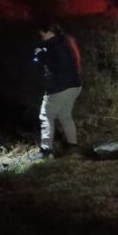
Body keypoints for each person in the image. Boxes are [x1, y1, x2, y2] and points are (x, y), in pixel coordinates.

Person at [33, 23, 82, 158]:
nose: (41, 37)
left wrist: (41, 57)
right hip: (75, 86)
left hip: (60, 87)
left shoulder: (51, 46)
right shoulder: (65, 41)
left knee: (46, 116)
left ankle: (46, 151)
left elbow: (57, 66)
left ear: (49, 32)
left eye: (42, 34)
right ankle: (73, 146)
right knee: (65, 116)